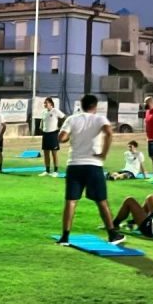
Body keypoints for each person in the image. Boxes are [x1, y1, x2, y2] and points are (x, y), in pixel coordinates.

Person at [56, 94, 125, 246]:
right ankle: (112, 234)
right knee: (101, 201)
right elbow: (109, 132)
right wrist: (104, 153)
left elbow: (61, 138)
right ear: (95, 106)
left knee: (71, 201)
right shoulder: (100, 119)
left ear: (81, 105)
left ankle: (65, 237)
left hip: (74, 164)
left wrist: (70, 137)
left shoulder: (72, 119)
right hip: (93, 164)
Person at [39, 97, 65, 177]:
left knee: (54, 153)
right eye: (44, 103)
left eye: (46, 103)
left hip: (53, 134)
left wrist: (61, 127)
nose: (45, 104)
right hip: (45, 134)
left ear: (51, 103)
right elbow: (42, 120)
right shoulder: (43, 112)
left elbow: (63, 117)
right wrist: (41, 127)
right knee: (46, 153)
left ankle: (56, 171)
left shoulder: (55, 111)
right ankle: (47, 170)